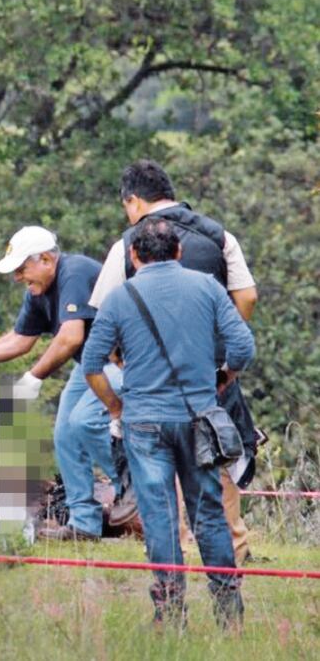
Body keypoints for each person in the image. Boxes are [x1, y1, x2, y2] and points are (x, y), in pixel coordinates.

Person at [83, 218, 254, 629]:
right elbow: (243, 347)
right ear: (178, 251)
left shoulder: (121, 297)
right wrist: (223, 378)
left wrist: (115, 407)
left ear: (134, 256)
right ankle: (229, 614)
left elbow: (92, 364)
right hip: (198, 418)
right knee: (208, 514)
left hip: (143, 424)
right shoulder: (207, 287)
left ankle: (170, 613)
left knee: (159, 516)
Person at [89, 159, 258, 563]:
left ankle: (178, 549)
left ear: (133, 201)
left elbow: (103, 316)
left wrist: (123, 362)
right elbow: (247, 296)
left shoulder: (127, 243)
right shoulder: (219, 235)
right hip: (211, 370)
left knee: (159, 465)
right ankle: (236, 546)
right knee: (215, 450)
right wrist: (219, 346)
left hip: (150, 377)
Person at [0, 225, 122, 542]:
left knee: (84, 422)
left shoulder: (74, 271)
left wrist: (32, 378)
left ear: (46, 259)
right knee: (64, 434)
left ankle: (133, 492)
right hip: (90, 365)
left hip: (124, 362)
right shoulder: (37, 291)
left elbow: (71, 337)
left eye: (21, 269)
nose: (18, 277)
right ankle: (84, 523)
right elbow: (19, 340)